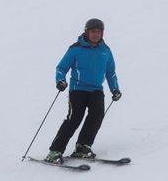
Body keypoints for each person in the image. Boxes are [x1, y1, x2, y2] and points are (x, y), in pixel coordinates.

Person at [45, 18, 122, 164]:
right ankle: (55, 151)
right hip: (78, 90)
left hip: (96, 90)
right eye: (93, 31)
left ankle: (82, 147)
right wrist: (60, 81)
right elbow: (61, 68)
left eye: (99, 32)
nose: (96, 34)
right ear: (87, 32)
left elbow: (110, 73)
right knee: (74, 118)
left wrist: (115, 89)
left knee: (97, 115)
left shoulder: (106, 51)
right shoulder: (75, 49)